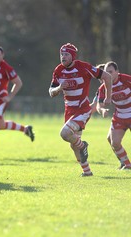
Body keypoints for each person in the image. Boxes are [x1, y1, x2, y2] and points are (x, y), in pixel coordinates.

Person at [49, 43, 112, 177]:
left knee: (65, 133)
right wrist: (59, 88)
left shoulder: (84, 67)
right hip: (69, 111)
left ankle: (83, 146)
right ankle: (87, 171)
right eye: (61, 54)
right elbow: (51, 92)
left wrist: (108, 96)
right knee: (73, 146)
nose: (63, 57)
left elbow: (107, 76)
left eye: (66, 54)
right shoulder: (58, 70)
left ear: (73, 56)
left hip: (83, 109)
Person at [96, 61, 131, 170]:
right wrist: (102, 110)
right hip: (119, 116)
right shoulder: (103, 88)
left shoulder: (126, 79)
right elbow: (98, 105)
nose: (108, 74)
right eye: (106, 72)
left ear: (117, 72)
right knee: (114, 142)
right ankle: (127, 165)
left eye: (110, 72)